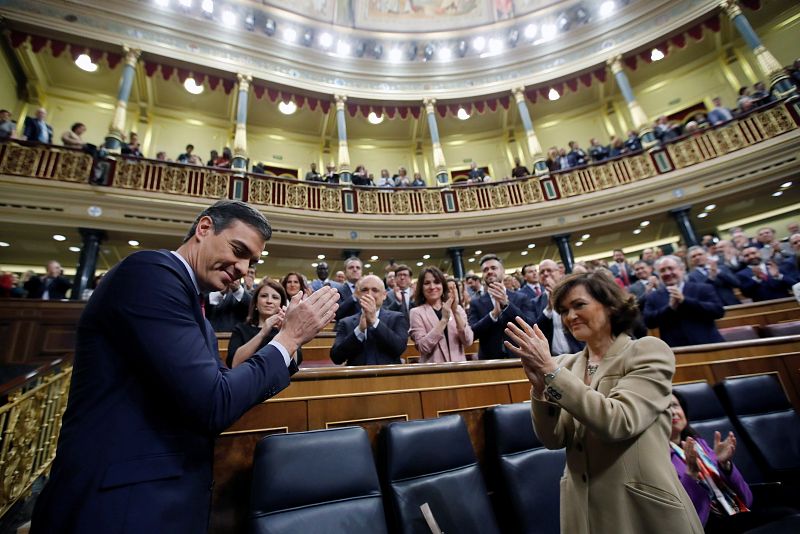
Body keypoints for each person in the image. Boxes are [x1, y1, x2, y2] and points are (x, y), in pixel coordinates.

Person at [30, 200, 339, 533]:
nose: (242, 267)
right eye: (238, 250)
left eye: (251, 260)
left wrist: (287, 339)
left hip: (162, 503)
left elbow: (223, 388)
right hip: (116, 507)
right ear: (203, 229)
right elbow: (213, 402)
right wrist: (289, 338)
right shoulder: (150, 272)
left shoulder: (199, 317)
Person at [506, 271, 704, 533]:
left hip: (640, 510)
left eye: (579, 305)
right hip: (582, 510)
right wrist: (541, 389)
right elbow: (553, 440)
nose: (570, 316)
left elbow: (618, 422)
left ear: (611, 305)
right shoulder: (566, 364)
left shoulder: (647, 351)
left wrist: (551, 372)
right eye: (564, 310)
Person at [669, 392, 752, 529]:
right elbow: (680, 516)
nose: (673, 412)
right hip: (705, 523)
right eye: (664, 409)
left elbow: (747, 498)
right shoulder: (659, 457)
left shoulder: (698, 444)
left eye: (675, 406)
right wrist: (690, 475)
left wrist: (725, 465)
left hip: (733, 512)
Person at [643, 255, 724, 347]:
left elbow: (718, 311)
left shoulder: (703, 288)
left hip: (710, 344)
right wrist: (670, 308)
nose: (667, 273)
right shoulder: (654, 296)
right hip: (678, 351)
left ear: (681, 269)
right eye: (662, 270)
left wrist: (685, 301)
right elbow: (649, 322)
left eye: (670, 268)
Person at [330, 274, 409, 366]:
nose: (369, 294)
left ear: (384, 295)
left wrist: (375, 322)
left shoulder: (397, 318)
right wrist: (359, 331)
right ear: (358, 295)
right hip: (356, 377)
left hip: (388, 377)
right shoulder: (345, 322)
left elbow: (399, 348)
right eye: (364, 290)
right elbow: (336, 358)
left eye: (375, 290)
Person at [468, 254, 535, 359]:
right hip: (489, 361)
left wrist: (507, 304)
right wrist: (492, 315)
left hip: (521, 358)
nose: (489, 271)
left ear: (503, 272)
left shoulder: (521, 298)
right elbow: (471, 334)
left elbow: (531, 326)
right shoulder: (476, 303)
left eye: (494, 268)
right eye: (485, 270)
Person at [227, 279, 302, 369]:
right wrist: (263, 332)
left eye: (275, 297)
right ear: (255, 303)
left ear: (281, 304)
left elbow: (295, 364)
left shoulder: (288, 330)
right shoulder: (241, 329)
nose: (269, 301)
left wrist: (286, 332)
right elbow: (234, 364)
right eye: (264, 296)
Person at [409, 267, 474, 363]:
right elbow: (423, 347)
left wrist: (455, 311)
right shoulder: (416, 312)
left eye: (436, 282)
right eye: (427, 283)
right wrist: (443, 320)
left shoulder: (457, 309)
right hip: (433, 372)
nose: (432, 287)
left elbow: (468, 341)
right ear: (421, 288)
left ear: (443, 285)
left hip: (459, 369)